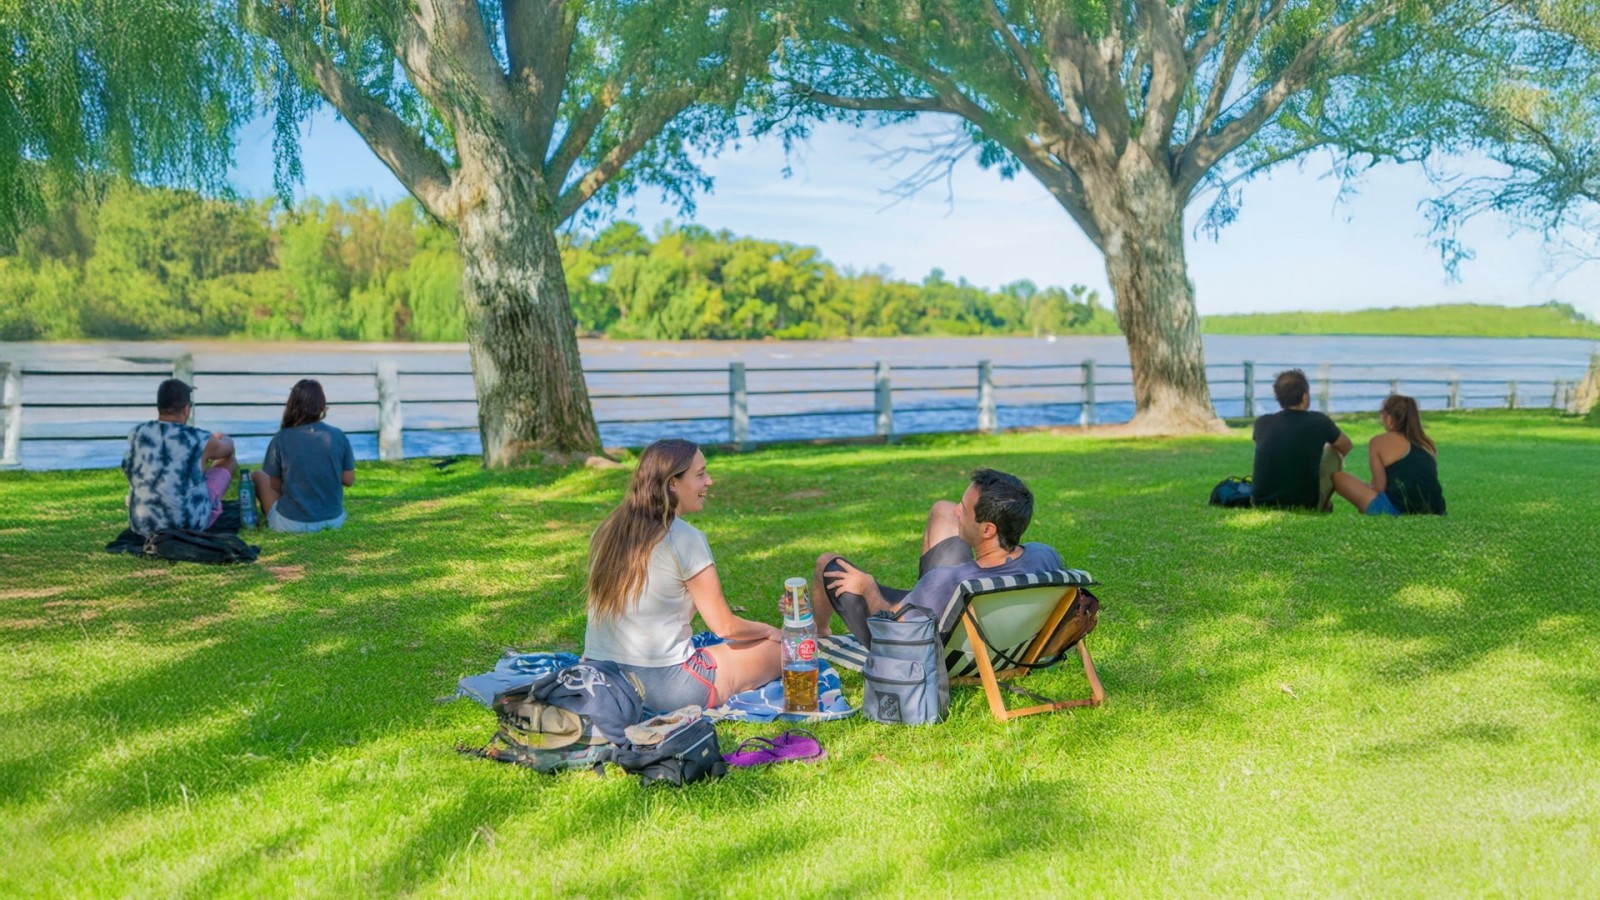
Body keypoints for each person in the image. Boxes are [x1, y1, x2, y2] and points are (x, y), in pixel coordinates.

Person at [582, 438, 781, 712]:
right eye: (700, 475)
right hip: (666, 687)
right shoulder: (685, 539)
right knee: (785, 650)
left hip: (601, 677)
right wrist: (769, 630)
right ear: (673, 483)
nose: (709, 481)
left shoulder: (606, 530)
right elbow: (725, 627)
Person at [812, 468, 1065, 646]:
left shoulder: (945, 583)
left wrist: (868, 590)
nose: (957, 511)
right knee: (942, 510)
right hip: (990, 637)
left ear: (988, 530)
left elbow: (896, 638)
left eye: (964, 509)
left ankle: (820, 632)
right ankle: (915, 601)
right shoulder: (1044, 556)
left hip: (928, 645)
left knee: (827, 563)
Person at [122, 378, 237, 535]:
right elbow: (227, 449)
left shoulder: (137, 433)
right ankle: (206, 506)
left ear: (159, 406)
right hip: (190, 522)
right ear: (186, 409)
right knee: (229, 461)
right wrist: (221, 437)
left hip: (143, 524)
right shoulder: (199, 438)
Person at [249, 379, 355, 533]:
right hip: (334, 521)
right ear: (322, 405)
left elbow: (275, 485)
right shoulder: (338, 435)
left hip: (291, 524)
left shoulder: (281, 437)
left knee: (258, 475)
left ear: (292, 405)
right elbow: (348, 480)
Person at [1251, 368, 1353, 510]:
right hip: (1305, 503)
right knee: (1334, 453)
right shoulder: (1319, 421)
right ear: (1305, 397)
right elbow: (1345, 445)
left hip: (1260, 502)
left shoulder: (1262, 423)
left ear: (1278, 398)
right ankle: (1324, 504)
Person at [1332, 394, 1447, 516]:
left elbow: (1379, 488)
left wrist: (1364, 491)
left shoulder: (1378, 442)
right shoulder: (1427, 443)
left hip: (1397, 510)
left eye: (1381, 413)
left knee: (1338, 477)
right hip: (1437, 510)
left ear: (1388, 418)